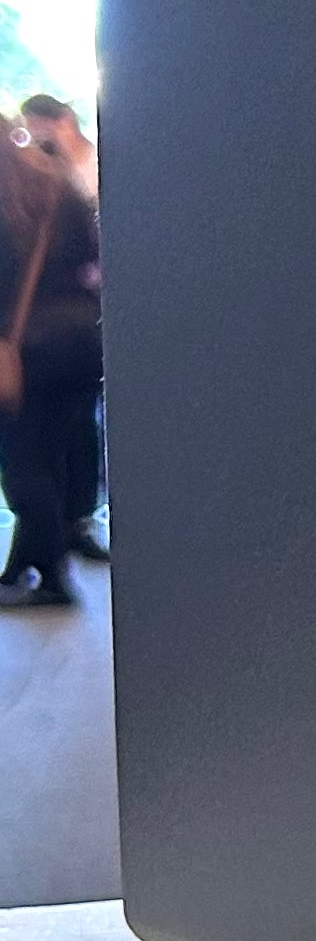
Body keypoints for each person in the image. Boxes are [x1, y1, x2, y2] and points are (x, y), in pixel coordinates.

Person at [0, 118, 100, 606]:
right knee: (51, 460)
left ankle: (54, 578)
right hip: (82, 341)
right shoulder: (59, 184)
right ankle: (20, 568)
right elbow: (91, 257)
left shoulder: (4, 202)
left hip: (25, 352)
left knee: (23, 470)